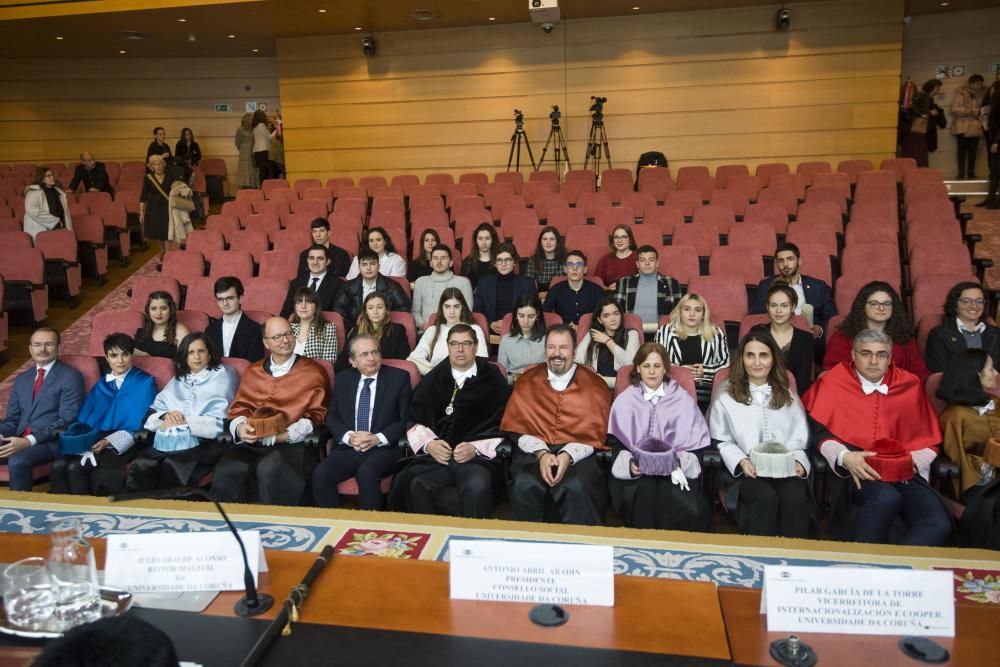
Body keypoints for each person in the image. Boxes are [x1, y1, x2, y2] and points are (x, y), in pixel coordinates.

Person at [804, 329, 951, 546]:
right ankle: (865, 566)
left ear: (890, 358)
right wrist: (845, 456)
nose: (873, 361)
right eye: (866, 353)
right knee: (885, 498)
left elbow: (930, 439)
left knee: (938, 522)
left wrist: (912, 462)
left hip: (904, 472)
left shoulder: (908, 384)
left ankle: (897, 570)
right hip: (857, 470)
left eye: (881, 355)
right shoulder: (834, 381)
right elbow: (819, 433)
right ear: (853, 355)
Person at [388, 324, 511, 518]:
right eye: (454, 344)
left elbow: (504, 425)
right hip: (437, 459)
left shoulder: (493, 379)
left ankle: (472, 541)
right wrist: (430, 444)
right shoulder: (433, 378)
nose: (460, 349)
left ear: (476, 346)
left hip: (476, 460)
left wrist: (475, 448)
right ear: (448, 347)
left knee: (477, 485)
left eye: (466, 344)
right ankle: (428, 541)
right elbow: (414, 419)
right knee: (414, 483)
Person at [213, 317, 329, 505]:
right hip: (252, 441)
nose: (285, 340)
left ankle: (274, 527)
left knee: (269, 469)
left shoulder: (313, 371)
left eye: (288, 334)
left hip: (291, 445)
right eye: (277, 337)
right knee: (229, 467)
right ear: (266, 342)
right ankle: (232, 528)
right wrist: (241, 428)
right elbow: (239, 409)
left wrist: (280, 437)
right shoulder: (253, 370)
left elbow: (315, 417)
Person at [502, 326, 612, 525]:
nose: (557, 354)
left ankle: (578, 549)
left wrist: (567, 455)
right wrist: (542, 454)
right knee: (525, 483)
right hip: (533, 453)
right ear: (545, 351)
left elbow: (595, 435)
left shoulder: (595, 386)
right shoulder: (527, 381)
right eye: (551, 347)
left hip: (579, 455)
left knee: (575, 485)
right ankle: (531, 546)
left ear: (574, 351)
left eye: (563, 347)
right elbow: (518, 429)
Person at [708, 332, 812, 538]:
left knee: (795, 496)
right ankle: (760, 557)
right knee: (766, 497)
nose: (757, 362)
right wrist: (742, 461)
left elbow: (799, 437)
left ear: (773, 359)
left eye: (763, 355)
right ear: (742, 359)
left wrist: (798, 460)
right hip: (745, 471)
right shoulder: (725, 393)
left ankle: (795, 557)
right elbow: (720, 439)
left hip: (785, 468)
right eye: (750, 355)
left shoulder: (787, 393)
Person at [609, 342, 712, 530]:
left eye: (657, 366)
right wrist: (631, 466)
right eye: (646, 366)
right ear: (638, 368)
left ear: (665, 368)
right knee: (645, 491)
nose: (652, 372)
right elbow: (617, 445)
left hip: (675, 471)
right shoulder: (625, 400)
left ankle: (672, 550)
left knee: (672, 492)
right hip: (639, 476)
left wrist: (678, 463)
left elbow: (696, 447)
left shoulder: (682, 399)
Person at [125, 333, 238, 491]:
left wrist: (185, 421)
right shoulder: (179, 378)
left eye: (201, 351)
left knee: (174, 465)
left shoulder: (224, 374)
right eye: (191, 352)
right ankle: (142, 510)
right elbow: (155, 410)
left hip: (206, 441)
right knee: (144, 463)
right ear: (184, 356)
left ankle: (175, 510)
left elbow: (221, 420)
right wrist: (166, 416)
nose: (196, 357)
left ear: (210, 353)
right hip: (171, 437)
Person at [51, 333, 158, 496]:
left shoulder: (145, 381)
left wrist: (108, 442)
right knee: (61, 466)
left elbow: (142, 423)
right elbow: (87, 418)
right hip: (96, 436)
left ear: (131, 356)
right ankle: (68, 510)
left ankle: (94, 511)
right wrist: (84, 439)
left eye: (125, 354)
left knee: (77, 468)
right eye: (114, 355)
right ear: (107, 358)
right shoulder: (102, 384)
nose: (120, 360)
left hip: (128, 439)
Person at [312, 335, 411, 510]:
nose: (372, 358)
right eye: (364, 354)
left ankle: (371, 528)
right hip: (349, 447)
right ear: (352, 360)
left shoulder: (399, 378)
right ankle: (331, 524)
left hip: (383, 448)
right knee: (321, 474)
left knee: (367, 473)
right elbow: (331, 416)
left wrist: (377, 438)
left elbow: (407, 419)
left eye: (375, 352)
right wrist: (350, 437)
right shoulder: (343, 379)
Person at [0, 328, 84, 491]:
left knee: (17, 460)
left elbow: (67, 420)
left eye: (48, 344)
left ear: (59, 348)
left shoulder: (71, 377)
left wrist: (28, 441)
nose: (42, 349)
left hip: (51, 442)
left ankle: (22, 509)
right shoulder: (22, 378)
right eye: (37, 345)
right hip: (18, 437)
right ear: (30, 349)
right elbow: (12, 419)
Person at [937, 349, 1000, 548]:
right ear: (975, 375)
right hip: (979, 484)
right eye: (990, 369)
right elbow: (960, 465)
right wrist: (990, 460)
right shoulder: (955, 417)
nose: (996, 373)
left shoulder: (997, 403)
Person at [823, 281, 929, 380]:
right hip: (854, 391)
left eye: (887, 304)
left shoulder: (904, 337)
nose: (881, 308)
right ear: (863, 306)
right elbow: (834, 371)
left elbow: (919, 373)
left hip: (895, 391)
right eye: (874, 304)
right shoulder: (843, 337)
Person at [655, 293, 730, 408]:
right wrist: (680, 371)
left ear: (704, 313)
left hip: (706, 390)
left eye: (698, 310)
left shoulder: (716, 333)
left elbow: (726, 363)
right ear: (680, 311)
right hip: (674, 388)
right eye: (687, 309)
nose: (692, 314)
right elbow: (656, 361)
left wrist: (704, 370)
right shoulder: (665, 332)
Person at [752, 243, 835, 339]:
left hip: (809, 336)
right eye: (781, 261)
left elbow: (831, 316)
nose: (785, 264)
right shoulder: (766, 285)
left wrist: (820, 329)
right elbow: (758, 315)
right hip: (776, 334)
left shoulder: (818, 286)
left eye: (790, 259)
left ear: (799, 261)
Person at [751, 283, 815, 394]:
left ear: (793, 307)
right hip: (756, 394)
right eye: (773, 305)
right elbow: (747, 371)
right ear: (767, 307)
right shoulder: (757, 332)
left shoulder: (805, 339)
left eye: (784, 305)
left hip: (791, 398)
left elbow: (802, 383)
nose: (778, 311)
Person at [407, 288, 487, 375]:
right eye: (447, 306)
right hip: (437, 381)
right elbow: (413, 358)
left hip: (467, 380)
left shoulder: (474, 329)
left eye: (456, 306)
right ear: (442, 308)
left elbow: (482, 362)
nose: (452, 311)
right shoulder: (433, 330)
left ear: (462, 308)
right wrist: (435, 373)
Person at [925, 281, 1000, 373]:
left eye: (979, 301)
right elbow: (939, 370)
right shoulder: (939, 335)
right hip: (957, 386)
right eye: (966, 301)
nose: (974, 306)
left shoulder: (997, 334)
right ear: (955, 305)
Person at [613, 245, 684, 334]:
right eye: (642, 260)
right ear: (637, 264)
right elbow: (616, 311)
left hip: (664, 332)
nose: (647, 263)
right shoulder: (624, 282)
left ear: (657, 263)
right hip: (630, 333)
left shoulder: (672, 283)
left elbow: (679, 312)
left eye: (651, 260)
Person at [332, 248, 410, 325]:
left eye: (372, 264)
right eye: (364, 264)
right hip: (356, 330)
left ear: (379, 266)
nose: (368, 268)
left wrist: (384, 320)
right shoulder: (347, 287)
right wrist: (353, 326)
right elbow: (338, 310)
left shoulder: (392, 286)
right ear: (359, 267)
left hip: (385, 329)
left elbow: (403, 310)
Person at [473, 243, 538, 336]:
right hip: (490, 329)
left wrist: (511, 324)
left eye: (507, 260)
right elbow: (477, 310)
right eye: (499, 260)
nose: (503, 264)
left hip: (520, 329)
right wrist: (491, 323)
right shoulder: (484, 283)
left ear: (514, 262)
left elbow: (533, 310)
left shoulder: (527, 283)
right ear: (495, 263)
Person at [575, 296, 640, 385]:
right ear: (599, 320)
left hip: (624, 387)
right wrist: (592, 375)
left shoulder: (631, 334)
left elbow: (629, 365)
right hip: (596, 385)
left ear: (621, 315)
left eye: (616, 314)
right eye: (606, 316)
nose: (613, 319)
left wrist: (608, 341)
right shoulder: (593, 335)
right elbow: (576, 362)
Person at [341, 292, 412, 370]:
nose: (375, 312)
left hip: (386, 373)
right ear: (366, 312)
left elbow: (404, 361)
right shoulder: (356, 330)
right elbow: (344, 358)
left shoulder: (398, 330)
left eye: (380, 307)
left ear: (386, 310)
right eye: (370, 308)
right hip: (358, 373)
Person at [411, 244, 473, 332]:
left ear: (451, 262)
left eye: (443, 258)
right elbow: (415, 312)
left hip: (455, 332)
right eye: (435, 258)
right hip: (427, 331)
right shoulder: (421, 282)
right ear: (431, 263)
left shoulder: (463, 282)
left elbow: (467, 312)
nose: (439, 261)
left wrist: (453, 330)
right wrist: (424, 325)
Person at [205, 276, 265, 362]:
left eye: (229, 298)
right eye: (220, 299)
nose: (225, 303)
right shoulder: (210, 330)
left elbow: (255, 364)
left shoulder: (255, 329)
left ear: (240, 298)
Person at [541, 250, 605, 328]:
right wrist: (564, 327)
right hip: (563, 331)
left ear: (585, 269)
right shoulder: (556, 289)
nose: (574, 268)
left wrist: (583, 328)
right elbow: (544, 314)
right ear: (565, 269)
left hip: (590, 331)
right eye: (570, 264)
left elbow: (605, 316)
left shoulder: (597, 290)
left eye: (579, 264)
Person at [280, 244, 345, 318]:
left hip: (323, 326)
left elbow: (337, 316)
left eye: (320, 259)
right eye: (311, 258)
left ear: (328, 262)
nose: (315, 262)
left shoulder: (338, 284)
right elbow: (286, 312)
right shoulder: (296, 283)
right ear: (307, 260)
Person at [497, 293, 546, 383]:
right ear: (516, 315)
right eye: (521, 316)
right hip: (514, 387)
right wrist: (516, 378)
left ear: (537, 315)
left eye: (531, 316)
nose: (526, 321)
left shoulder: (547, 340)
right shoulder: (506, 340)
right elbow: (501, 374)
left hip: (540, 386)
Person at [133, 291, 189, 360]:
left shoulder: (181, 332)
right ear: (148, 311)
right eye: (154, 309)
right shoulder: (143, 332)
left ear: (171, 310)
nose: (158, 313)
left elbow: (184, 362)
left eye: (163, 308)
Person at [950, 73, 986, 179]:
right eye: (978, 84)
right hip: (961, 126)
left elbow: (983, 110)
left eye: (981, 84)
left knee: (973, 151)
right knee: (961, 150)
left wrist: (978, 112)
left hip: (974, 126)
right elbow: (953, 109)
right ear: (971, 84)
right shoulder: (961, 94)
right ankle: (961, 172)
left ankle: (971, 172)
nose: (979, 86)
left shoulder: (982, 95)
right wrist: (969, 111)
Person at [902, 79, 945, 167]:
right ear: (933, 87)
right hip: (917, 132)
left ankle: (916, 177)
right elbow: (914, 111)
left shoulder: (925, 99)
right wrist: (928, 112)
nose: (938, 90)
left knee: (916, 158)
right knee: (918, 159)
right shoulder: (923, 98)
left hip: (916, 132)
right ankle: (917, 177)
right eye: (937, 88)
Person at [290, 287, 339, 364]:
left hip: (313, 373)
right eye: (299, 302)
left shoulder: (327, 328)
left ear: (316, 306)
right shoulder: (289, 328)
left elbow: (329, 362)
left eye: (308, 302)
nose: (303, 306)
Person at [23, 166, 72, 240]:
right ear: (41, 178)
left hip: (59, 228)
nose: (52, 177)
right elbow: (32, 211)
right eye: (48, 176)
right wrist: (55, 220)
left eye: (52, 175)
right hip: (41, 229)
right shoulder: (33, 192)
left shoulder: (58, 192)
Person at [140, 154, 172, 258]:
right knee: (155, 231)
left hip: (167, 206)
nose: (158, 166)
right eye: (155, 164)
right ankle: (162, 250)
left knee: (166, 229)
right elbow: (143, 195)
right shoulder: (148, 178)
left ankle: (167, 253)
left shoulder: (170, 176)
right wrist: (141, 212)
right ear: (151, 166)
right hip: (153, 207)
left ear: (163, 165)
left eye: (160, 164)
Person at [594, 224, 637, 289]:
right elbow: (596, 285)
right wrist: (608, 289)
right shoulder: (604, 260)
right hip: (612, 296)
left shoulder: (639, 257)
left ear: (630, 240)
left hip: (633, 295)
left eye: (624, 237)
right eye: (616, 237)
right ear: (613, 241)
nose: (619, 240)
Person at [523, 226, 567, 291]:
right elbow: (528, 287)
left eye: (552, 239)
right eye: (545, 239)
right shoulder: (532, 261)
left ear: (557, 242)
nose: (548, 242)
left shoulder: (565, 261)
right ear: (540, 242)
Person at [978, 83, 1000, 208]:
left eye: (992, 90)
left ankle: (997, 200)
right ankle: (990, 198)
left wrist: (996, 142)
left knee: (998, 171)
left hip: (997, 141)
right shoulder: (992, 106)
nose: (990, 93)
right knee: (994, 171)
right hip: (991, 139)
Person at [460, 222, 499, 289]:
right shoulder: (468, 262)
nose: (484, 242)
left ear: (493, 240)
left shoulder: (500, 261)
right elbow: (464, 287)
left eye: (487, 238)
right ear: (476, 241)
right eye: (480, 239)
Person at [234, 113, 259, 190]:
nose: (252, 121)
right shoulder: (240, 129)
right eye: (251, 119)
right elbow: (237, 142)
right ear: (247, 120)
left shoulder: (253, 129)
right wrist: (243, 149)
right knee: (244, 172)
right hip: (244, 153)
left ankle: (251, 187)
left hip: (252, 152)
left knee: (252, 170)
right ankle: (244, 190)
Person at [251, 109, 276, 183]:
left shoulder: (255, 126)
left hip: (258, 151)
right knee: (267, 170)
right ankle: (265, 187)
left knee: (263, 170)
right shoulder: (261, 125)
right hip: (263, 150)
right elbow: (270, 137)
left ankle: (262, 188)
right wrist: (276, 130)